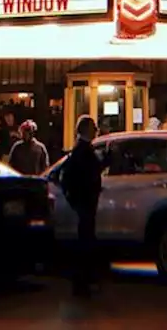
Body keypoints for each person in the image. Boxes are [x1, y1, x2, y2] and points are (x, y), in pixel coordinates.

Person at [60, 115, 104, 297]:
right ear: (86, 129)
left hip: (85, 201)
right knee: (85, 241)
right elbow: (73, 176)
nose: (96, 129)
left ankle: (84, 281)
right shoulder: (83, 151)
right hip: (85, 201)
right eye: (93, 126)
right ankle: (82, 282)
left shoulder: (82, 150)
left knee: (86, 240)